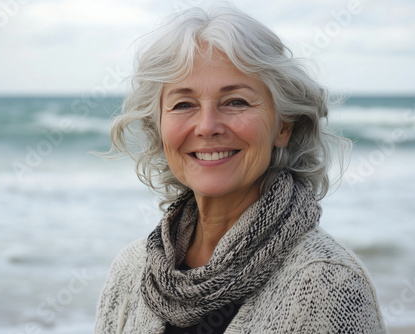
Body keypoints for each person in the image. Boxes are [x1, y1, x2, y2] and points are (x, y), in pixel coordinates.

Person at [95, 5, 387, 334]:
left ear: (283, 126)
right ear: (159, 127)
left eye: (236, 101)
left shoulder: (328, 281)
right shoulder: (132, 271)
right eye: (183, 104)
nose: (207, 127)